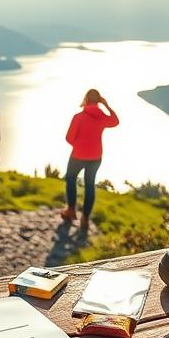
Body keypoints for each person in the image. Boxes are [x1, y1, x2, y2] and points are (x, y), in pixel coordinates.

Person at [61, 89, 118, 232]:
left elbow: (69, 138)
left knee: (70, 178)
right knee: (90, 185)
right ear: (99, 101)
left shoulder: (79, 117)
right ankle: (85, 219)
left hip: (78, 155)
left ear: (85, 99)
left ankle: (71, 210)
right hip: (96, 157)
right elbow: (115, 121)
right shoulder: (102, 117)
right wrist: (107, 106)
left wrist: (79, 145)